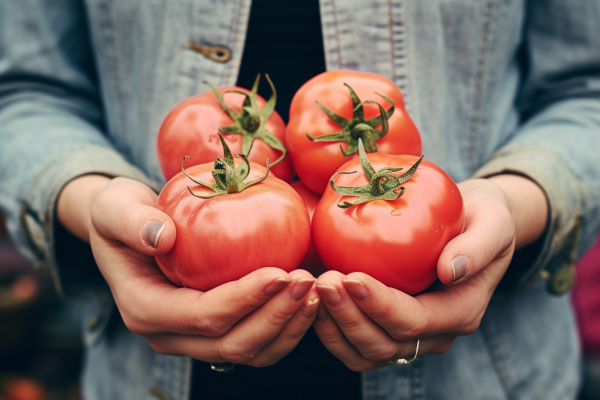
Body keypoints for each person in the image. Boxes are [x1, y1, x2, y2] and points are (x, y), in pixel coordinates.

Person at [1, 0, 599, 399]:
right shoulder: (255, 185)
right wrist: (94, 199)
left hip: (482, 374)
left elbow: (587, 88)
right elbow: (24, 91)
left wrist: (511, 202)